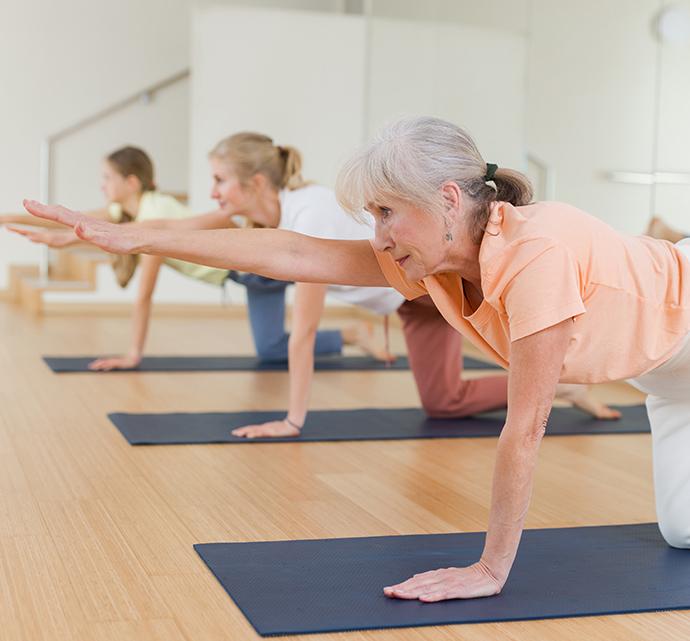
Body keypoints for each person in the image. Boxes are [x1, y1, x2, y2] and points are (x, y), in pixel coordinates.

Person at [28, 115, 682, 605]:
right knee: (680, 534)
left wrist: (490, 568)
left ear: (449, 200)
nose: (379, 236)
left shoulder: (538, 251)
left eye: (388, 213)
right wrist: (136, 237)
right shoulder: (437, 261)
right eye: (372, 214)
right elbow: (291, 254)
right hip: (661, 375)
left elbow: (525, 427)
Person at [7, 146, 382, 370]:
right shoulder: (135, 210)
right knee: (270, 349)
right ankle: (352, 333)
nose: (102, 186)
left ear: (132, 182)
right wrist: (25, 225)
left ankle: (356, 329)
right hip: (244, 273)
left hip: (254, 270)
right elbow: (93, 223)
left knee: (284, 338)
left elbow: (144, 295)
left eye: (107, 177)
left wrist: (133, 354)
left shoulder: (152, 221)